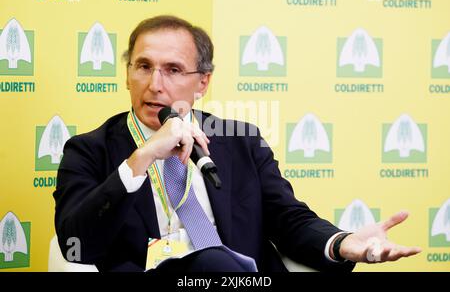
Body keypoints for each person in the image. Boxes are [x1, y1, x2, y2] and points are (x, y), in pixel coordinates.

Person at [54, 15, 421, 272]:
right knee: (211, 262)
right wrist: (144, 155)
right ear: (128, 74)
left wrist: (341, 244)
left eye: (174, 70)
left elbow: (288, 219)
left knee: (218, 262)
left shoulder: (241, 141)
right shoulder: (89, 150)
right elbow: (77, 242)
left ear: (202, 83)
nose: (155, 84)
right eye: (143, 66)